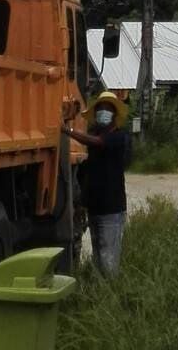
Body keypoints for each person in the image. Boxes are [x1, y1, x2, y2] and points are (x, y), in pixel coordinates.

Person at [63, 90, 129, 277]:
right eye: (100, 108)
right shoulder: (95, 139)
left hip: (112, 210)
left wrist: (68, 131)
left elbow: (98, 142)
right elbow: (88, 176)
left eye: (107, 109)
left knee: (108, 261)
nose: (103, 112)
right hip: (96, 209)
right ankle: (103, 296)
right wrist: (83, 205)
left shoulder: (118, 137)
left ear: (114, 114)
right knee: (99, 257)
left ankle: (110, 297)